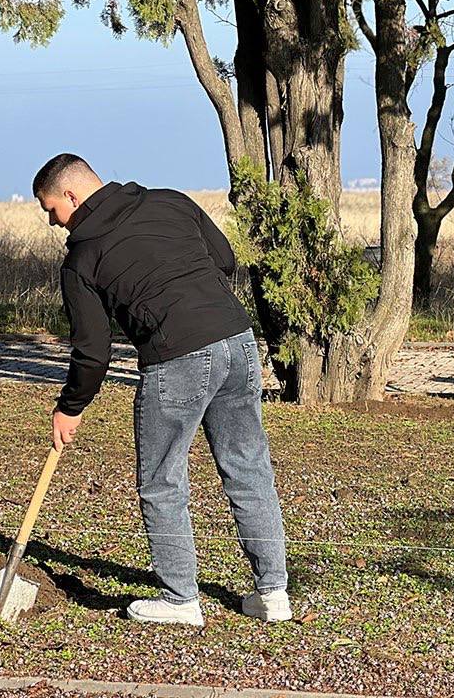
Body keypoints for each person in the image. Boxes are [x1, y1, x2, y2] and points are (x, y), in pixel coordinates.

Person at [33, 153, 290, 626]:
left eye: (52, 209)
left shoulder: (81, 260)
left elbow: (92, 350)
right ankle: (273, 594)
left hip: (176, 357)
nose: (53, 222)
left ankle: (180, 600)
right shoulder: (171, 202)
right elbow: (225, 259)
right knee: (248, 467)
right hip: (237, 341)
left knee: (161, 480)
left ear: (71, 194)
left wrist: (70, 407)